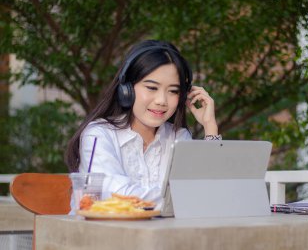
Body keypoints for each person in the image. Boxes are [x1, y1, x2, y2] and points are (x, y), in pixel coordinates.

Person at [65, 39, 221, 207]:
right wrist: (181, 199)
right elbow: (118, 197)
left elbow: (208, 194)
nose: (162, 101)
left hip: (161, 233)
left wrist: (210, 127)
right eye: (152, 88)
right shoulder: (98, 135)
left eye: (173, 91)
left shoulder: (178, 137)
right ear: (127, 89)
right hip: (103, 233)